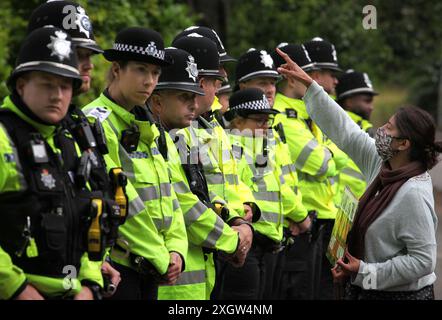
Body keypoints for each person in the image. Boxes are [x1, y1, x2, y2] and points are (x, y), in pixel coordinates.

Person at [277, 47, 441, 300]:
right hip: (366, 290)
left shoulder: (413, 193)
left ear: (404, 144)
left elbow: (423, 262)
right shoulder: (381, 164)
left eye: (389, 128)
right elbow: (345, 130)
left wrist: (365, 271)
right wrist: (310, 86)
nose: (381, 130)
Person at [0, 26, 117, 300]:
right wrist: (16, 289)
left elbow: (89, 218)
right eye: (47, 84)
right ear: (21, 84)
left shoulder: (72, 140)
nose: (57, 95)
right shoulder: (4, 137)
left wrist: (90, 283)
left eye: (65, 86)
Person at [82, 27, 188, 300]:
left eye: (155, 73)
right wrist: (161, 256)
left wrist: (176, 249)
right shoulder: (95, 122)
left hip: (153, 267)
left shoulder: (148, 125)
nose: (149, 81)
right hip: (118, 268)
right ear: (117, 69)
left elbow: (170, 192)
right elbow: (120, 201)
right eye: (141, 70)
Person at [27, 0, 121, 294]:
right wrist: (18, 289)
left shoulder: (77, 126)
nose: (89, 65)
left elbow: (87, 207)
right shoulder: (10, 132)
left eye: (88, 54)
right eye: (78, 54)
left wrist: (92, 272)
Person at [149, 47, 253, 299]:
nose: (194, 105)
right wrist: (231, 240)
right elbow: (183, 202)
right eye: (185, 96)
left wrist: (238, 221)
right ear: (158, 100)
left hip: (198, 271)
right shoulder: (166, 136)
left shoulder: (172, 134)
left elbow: (207, 193)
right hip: (172, 279)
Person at [216, 88, 308, 300]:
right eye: (260, 121)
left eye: (269, 121)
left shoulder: (260, 150)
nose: (267, 127)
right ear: (238, 121)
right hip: (247, 244)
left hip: (265, 245)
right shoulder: (233, 150)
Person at [303, 37, 349, 299]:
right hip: (312, 217)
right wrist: (331, 154)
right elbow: (321, 163)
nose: (335, 81)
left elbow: (340, 155)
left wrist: (329, 154)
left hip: (335, 212)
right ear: (316, 74)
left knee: (329, 286)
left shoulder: (324, 112)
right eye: (331, 74)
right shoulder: (296, 114)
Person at [334, 69, 379, 200]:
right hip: (343, 207)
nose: (372, 107)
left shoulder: (364, 128)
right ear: (348, 101)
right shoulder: (344, 128)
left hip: (356, 206)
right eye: (367, 101)